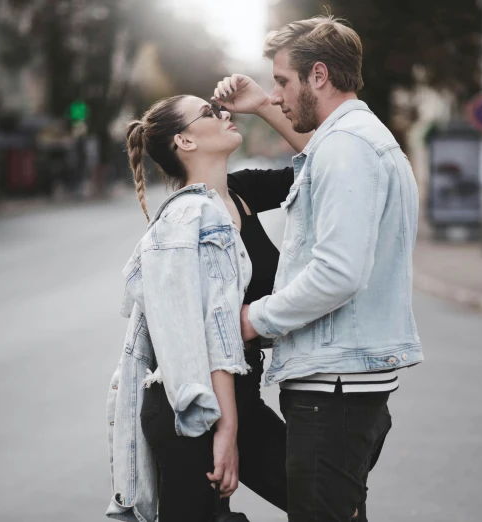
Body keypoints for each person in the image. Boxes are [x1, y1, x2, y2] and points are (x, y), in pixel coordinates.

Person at [221, 16, 424, 522]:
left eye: (282, 82)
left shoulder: (347, 149)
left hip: (332, 390)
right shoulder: (355, 139)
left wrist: (253, 320)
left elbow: (338, 273)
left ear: (318, 75)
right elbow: (315, 152)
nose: (276, 94)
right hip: (345, 386)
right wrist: (263, 106)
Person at [106, 89, 310, 522]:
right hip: (190, 407)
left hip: (240, 399)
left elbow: (322, 162)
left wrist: (260, 105)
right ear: (185, 141)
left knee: (321, 496)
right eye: (209, 112)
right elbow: (208, 331)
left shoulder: (241, 192)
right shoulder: (185, 221)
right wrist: (226, 428)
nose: (222, 112)